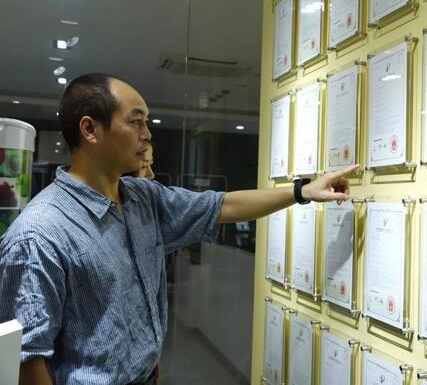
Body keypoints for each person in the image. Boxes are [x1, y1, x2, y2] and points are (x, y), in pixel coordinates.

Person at [0, 73, 357, 385]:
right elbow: (26, 359)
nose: (146, 134)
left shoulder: (142, 198)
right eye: (136, 122)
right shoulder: (40, 233)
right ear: (90, 129)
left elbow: (221, 206)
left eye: (146, 122)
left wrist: (302, 191)